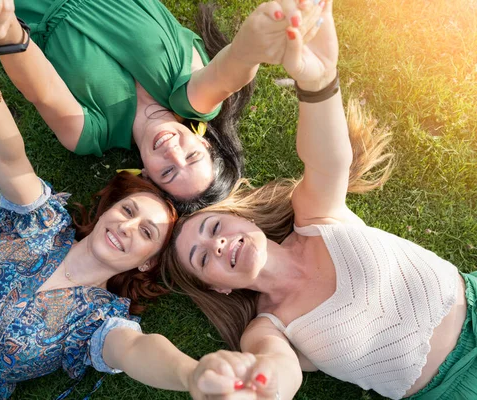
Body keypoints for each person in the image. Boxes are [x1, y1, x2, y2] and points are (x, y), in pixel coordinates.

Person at [0, 3, 272, 398]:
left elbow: (138, 351)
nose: (126, 225)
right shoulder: (43, 223)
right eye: (128, 210)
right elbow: (8, 159)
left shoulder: (98, 320)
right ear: (106, 213)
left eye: (147, 232)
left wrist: (191, 374)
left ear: (148, 261)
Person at [163, 2, 476, 399]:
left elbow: (329, 161)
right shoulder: (267, 327)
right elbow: (279, 369)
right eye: (203, 258)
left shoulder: (315, 219)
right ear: (219, 288)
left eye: (214, 228)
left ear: (245, 221)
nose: (217, 244)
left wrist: (319, 80)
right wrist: (262, 385)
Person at [0, 0, 323, 213]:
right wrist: (254, 45)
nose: (173, 151)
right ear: (203, 142)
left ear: (148, 178)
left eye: (169, 172)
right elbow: (230, 70)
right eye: (191, 156)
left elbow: (38, 82)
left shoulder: (91, 133)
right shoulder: (190, 95)